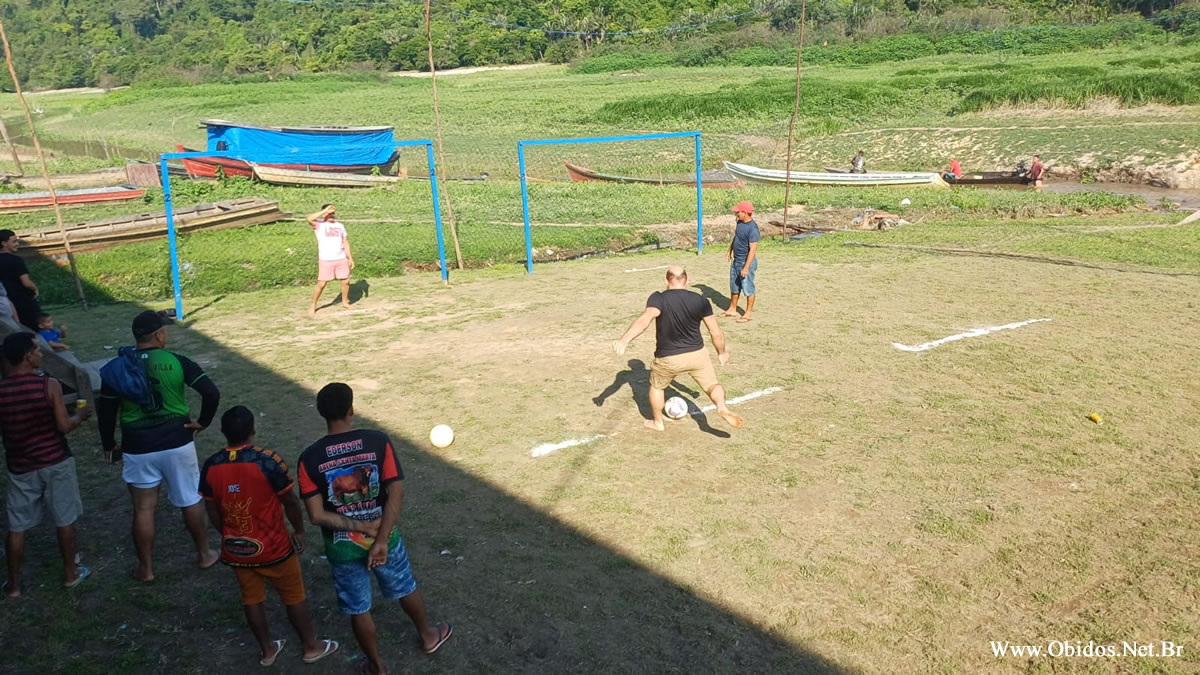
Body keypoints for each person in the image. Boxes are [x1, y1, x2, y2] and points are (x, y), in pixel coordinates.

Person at [298, 383, 452, 674]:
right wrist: (380, 538)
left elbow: (316, 515)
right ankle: (428, 635)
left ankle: (377, 666)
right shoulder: (378, 441)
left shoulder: (309, 458)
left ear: (321, 413)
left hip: (342, 547)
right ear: (351, 410)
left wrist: (360, 527)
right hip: (385, 537)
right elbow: (396, 492)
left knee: (359, 608)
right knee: (404, 585)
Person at [200, 405, 340, 667]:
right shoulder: (267, 461)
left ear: (223, 432)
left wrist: (228, 534)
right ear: (253, 431)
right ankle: (310, 646)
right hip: (275, 548)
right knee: (294, 595)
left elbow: (212, 510)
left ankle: (267, 650)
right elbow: (290, 501)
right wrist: (299, 530)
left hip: (237, 549)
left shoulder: (211, 465)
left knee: (251, 599)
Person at [97, 310, 220, 582]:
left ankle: (146, 569)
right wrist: (203, 422)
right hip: (177, 440)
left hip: (137, 445)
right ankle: (204, 554)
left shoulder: (116, 369)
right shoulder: (177, 361)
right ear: (159, 335)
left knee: (143, 508)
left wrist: (109, 443)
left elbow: (105, 411)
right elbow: (211, 393)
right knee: (190, 499)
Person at [0, 333, 91, 597]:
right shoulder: (48, 385)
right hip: (55, 461)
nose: (41, 353)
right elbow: (63, 426)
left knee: (17, 526)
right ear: (27, 356)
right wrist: (79, 415)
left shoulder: (2, 391)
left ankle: (13, 585)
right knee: (64, 518)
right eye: (37, 350)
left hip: (20, 466)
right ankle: (70, 574)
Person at [612, 266, 744, 432]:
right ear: (687, 280)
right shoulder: (700, 300)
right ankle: (722, 407)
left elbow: (645, 319)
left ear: (666, 281)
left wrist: (624, 340)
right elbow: (715, 332)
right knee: (712, 385)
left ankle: (658, 423)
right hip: (697, 355)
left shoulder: (658, 298)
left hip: (669, 358)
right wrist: (722, 352)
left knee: (657, 387)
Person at [306, 204, 355, 317]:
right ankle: (313, 305)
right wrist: (325, 210)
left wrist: (350, 257)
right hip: (326, 259)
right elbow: (309, 218)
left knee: (345, 281)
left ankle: (344, 302)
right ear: (324, 214)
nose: (331, 215)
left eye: (333, 213)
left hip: (341, 258)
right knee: (322, 284)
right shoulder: (319, 225)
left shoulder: (340, 226)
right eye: (329, 213)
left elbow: (345, 242)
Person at [721, 201, 760, 324]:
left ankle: (748, 313)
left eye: (738, 212)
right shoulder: (739, 223)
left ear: (745, 212)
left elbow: (753, 249)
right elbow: (736, 238)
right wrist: (730, 250)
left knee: (748, 287)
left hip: (746, 262)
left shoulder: (753, 229)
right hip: (736, 260)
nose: (736, 213)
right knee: (734, 286)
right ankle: (732, 309)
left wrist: (746, 267)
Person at [0, 230, 42, 329]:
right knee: (33, 329)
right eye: (14, 242)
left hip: (5, 303)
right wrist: (35, 288)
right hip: (22, 300)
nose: (17, 244)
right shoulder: (16, 260)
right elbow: (26, 282)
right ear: (4, 243)